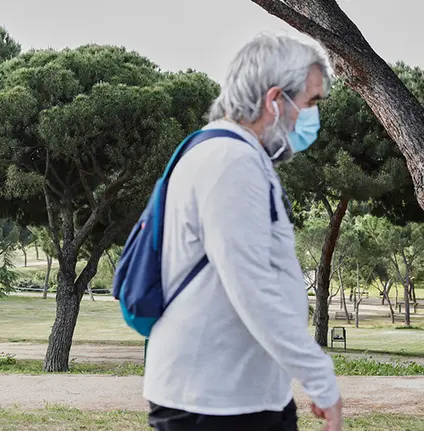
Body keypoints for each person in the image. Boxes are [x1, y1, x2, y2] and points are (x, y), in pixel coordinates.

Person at [143, 33, 342, 431]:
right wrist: (320, 378)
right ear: (275, 100)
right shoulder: (229, 162)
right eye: (311, 102)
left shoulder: (238, 154)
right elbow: (252, 286)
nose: (313, 116)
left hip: (240, 395)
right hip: (213, 404)